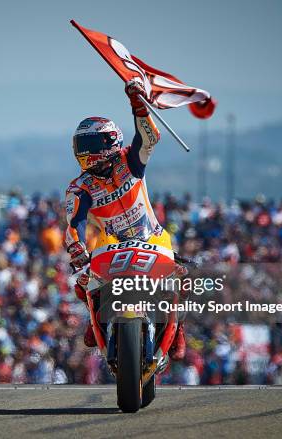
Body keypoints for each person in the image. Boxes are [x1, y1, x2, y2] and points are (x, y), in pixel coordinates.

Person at [64, 79, 186, 359]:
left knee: (180, 280)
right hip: (112, 244)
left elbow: (150, 138)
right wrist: (77, 252)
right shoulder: (79, 186)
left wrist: (138, 105)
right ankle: (95, 319)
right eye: (80, 145)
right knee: (83, 285)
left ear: (109, 141)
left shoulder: (130, 161)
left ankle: (176, 328)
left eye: (90, 143)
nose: (84, 151)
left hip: (152, 237)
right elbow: (75, 223)